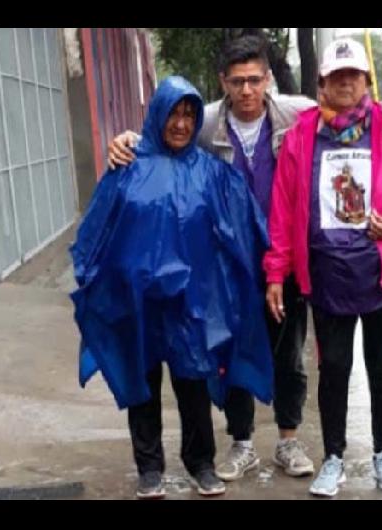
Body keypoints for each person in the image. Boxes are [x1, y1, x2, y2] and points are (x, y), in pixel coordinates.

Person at [106, 35, 382, 483]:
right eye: (237, 82)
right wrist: (129, 139)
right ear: (223, 83)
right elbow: (163, 135)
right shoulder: (205, 121)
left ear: (268, 79)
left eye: (254, 80)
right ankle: (242, 443)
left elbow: (349, 106)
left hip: (284, 257)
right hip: (226, 264)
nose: (247, 90)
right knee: (230, 353)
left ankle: (288, 440)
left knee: (289, 355)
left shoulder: (297, 114)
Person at [70, 76, 273, 499]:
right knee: (141, 383)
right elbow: (96, 229)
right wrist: (95, 281)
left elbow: (243, 224)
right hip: (136, 301)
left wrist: (261, 271)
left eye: (189, 115)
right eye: (174, 113)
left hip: (190, 304)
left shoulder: (211, 173)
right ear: (158, 114)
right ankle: (149, 469)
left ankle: (201, 463)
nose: (181, 124)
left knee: (193, 384)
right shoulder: (127, 165)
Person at [263, 38, 382, 497]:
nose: (346, 83)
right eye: (337, 76)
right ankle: (334, 458)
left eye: (354, 75)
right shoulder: (301, 135)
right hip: (327, 280)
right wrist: (276, 272)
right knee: (334, 370)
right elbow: (282, 211)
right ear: (321, 83)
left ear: (366, 81)